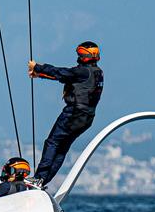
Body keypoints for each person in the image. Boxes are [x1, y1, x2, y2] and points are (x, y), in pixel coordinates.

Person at [28, 41, 104, 187]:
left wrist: (37, 67)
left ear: (83, 55)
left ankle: (39, 178)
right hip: (87, 118)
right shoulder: (97, 72)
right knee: (62, 148)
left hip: (73, 115)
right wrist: (40, 75)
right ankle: (42, 181)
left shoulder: (83, 71)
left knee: (52, 143)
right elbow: (66, 77)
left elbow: (61, 72)